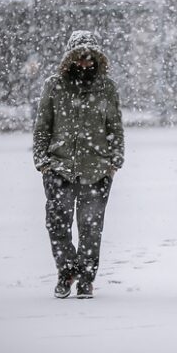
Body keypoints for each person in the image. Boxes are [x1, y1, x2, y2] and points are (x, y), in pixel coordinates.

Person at [33, 30, 124, 299]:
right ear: (70, 59)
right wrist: (43, 162)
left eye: (90, 58)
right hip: (58, 168)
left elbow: (115, 127)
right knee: (57, 225)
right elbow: (42, 126)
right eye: (80, 58)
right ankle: (66, 271)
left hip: (97, 170)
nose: (85, 64)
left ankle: (86, 277)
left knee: (91, 227)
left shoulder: (107, 87)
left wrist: (114, 160)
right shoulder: (54, 86)